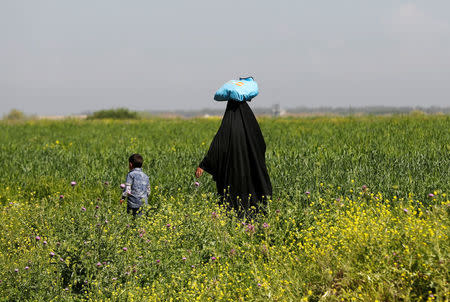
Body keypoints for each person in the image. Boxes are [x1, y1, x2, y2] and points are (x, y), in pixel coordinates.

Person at [195, 100, 272, 217]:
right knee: (253, 201)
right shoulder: (251, 124)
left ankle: (234, 219)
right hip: (250, 170)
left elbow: (218, 145)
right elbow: (261, 144)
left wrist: (204, 165)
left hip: (232, 171)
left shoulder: (228, 124)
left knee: (232, 202)